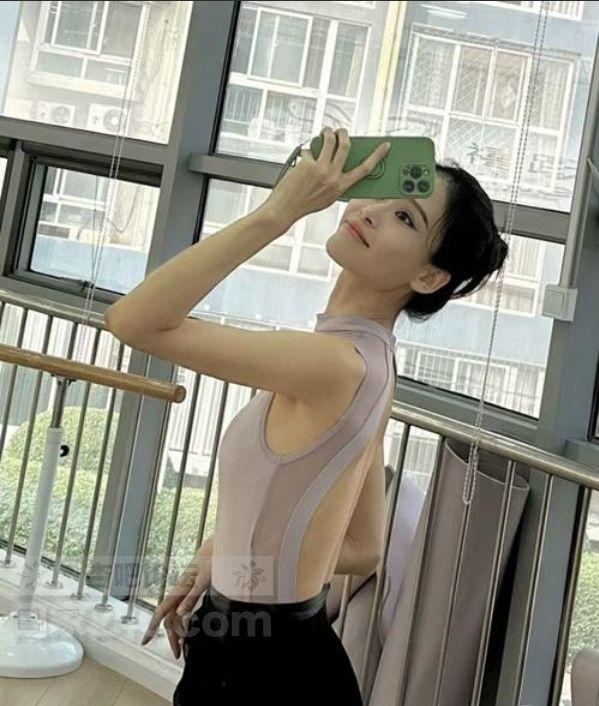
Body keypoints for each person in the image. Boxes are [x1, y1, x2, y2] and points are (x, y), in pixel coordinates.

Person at [108, 126, 508, 705]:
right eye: (382, 194)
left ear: (427, 277)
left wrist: (279, 212)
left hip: (259, 669)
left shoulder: (337, 364)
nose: (370, 210)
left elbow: (133, 321)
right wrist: (223, 557)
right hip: (276, 650)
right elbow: (363, 545)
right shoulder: (371, 361)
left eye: (405, 218)